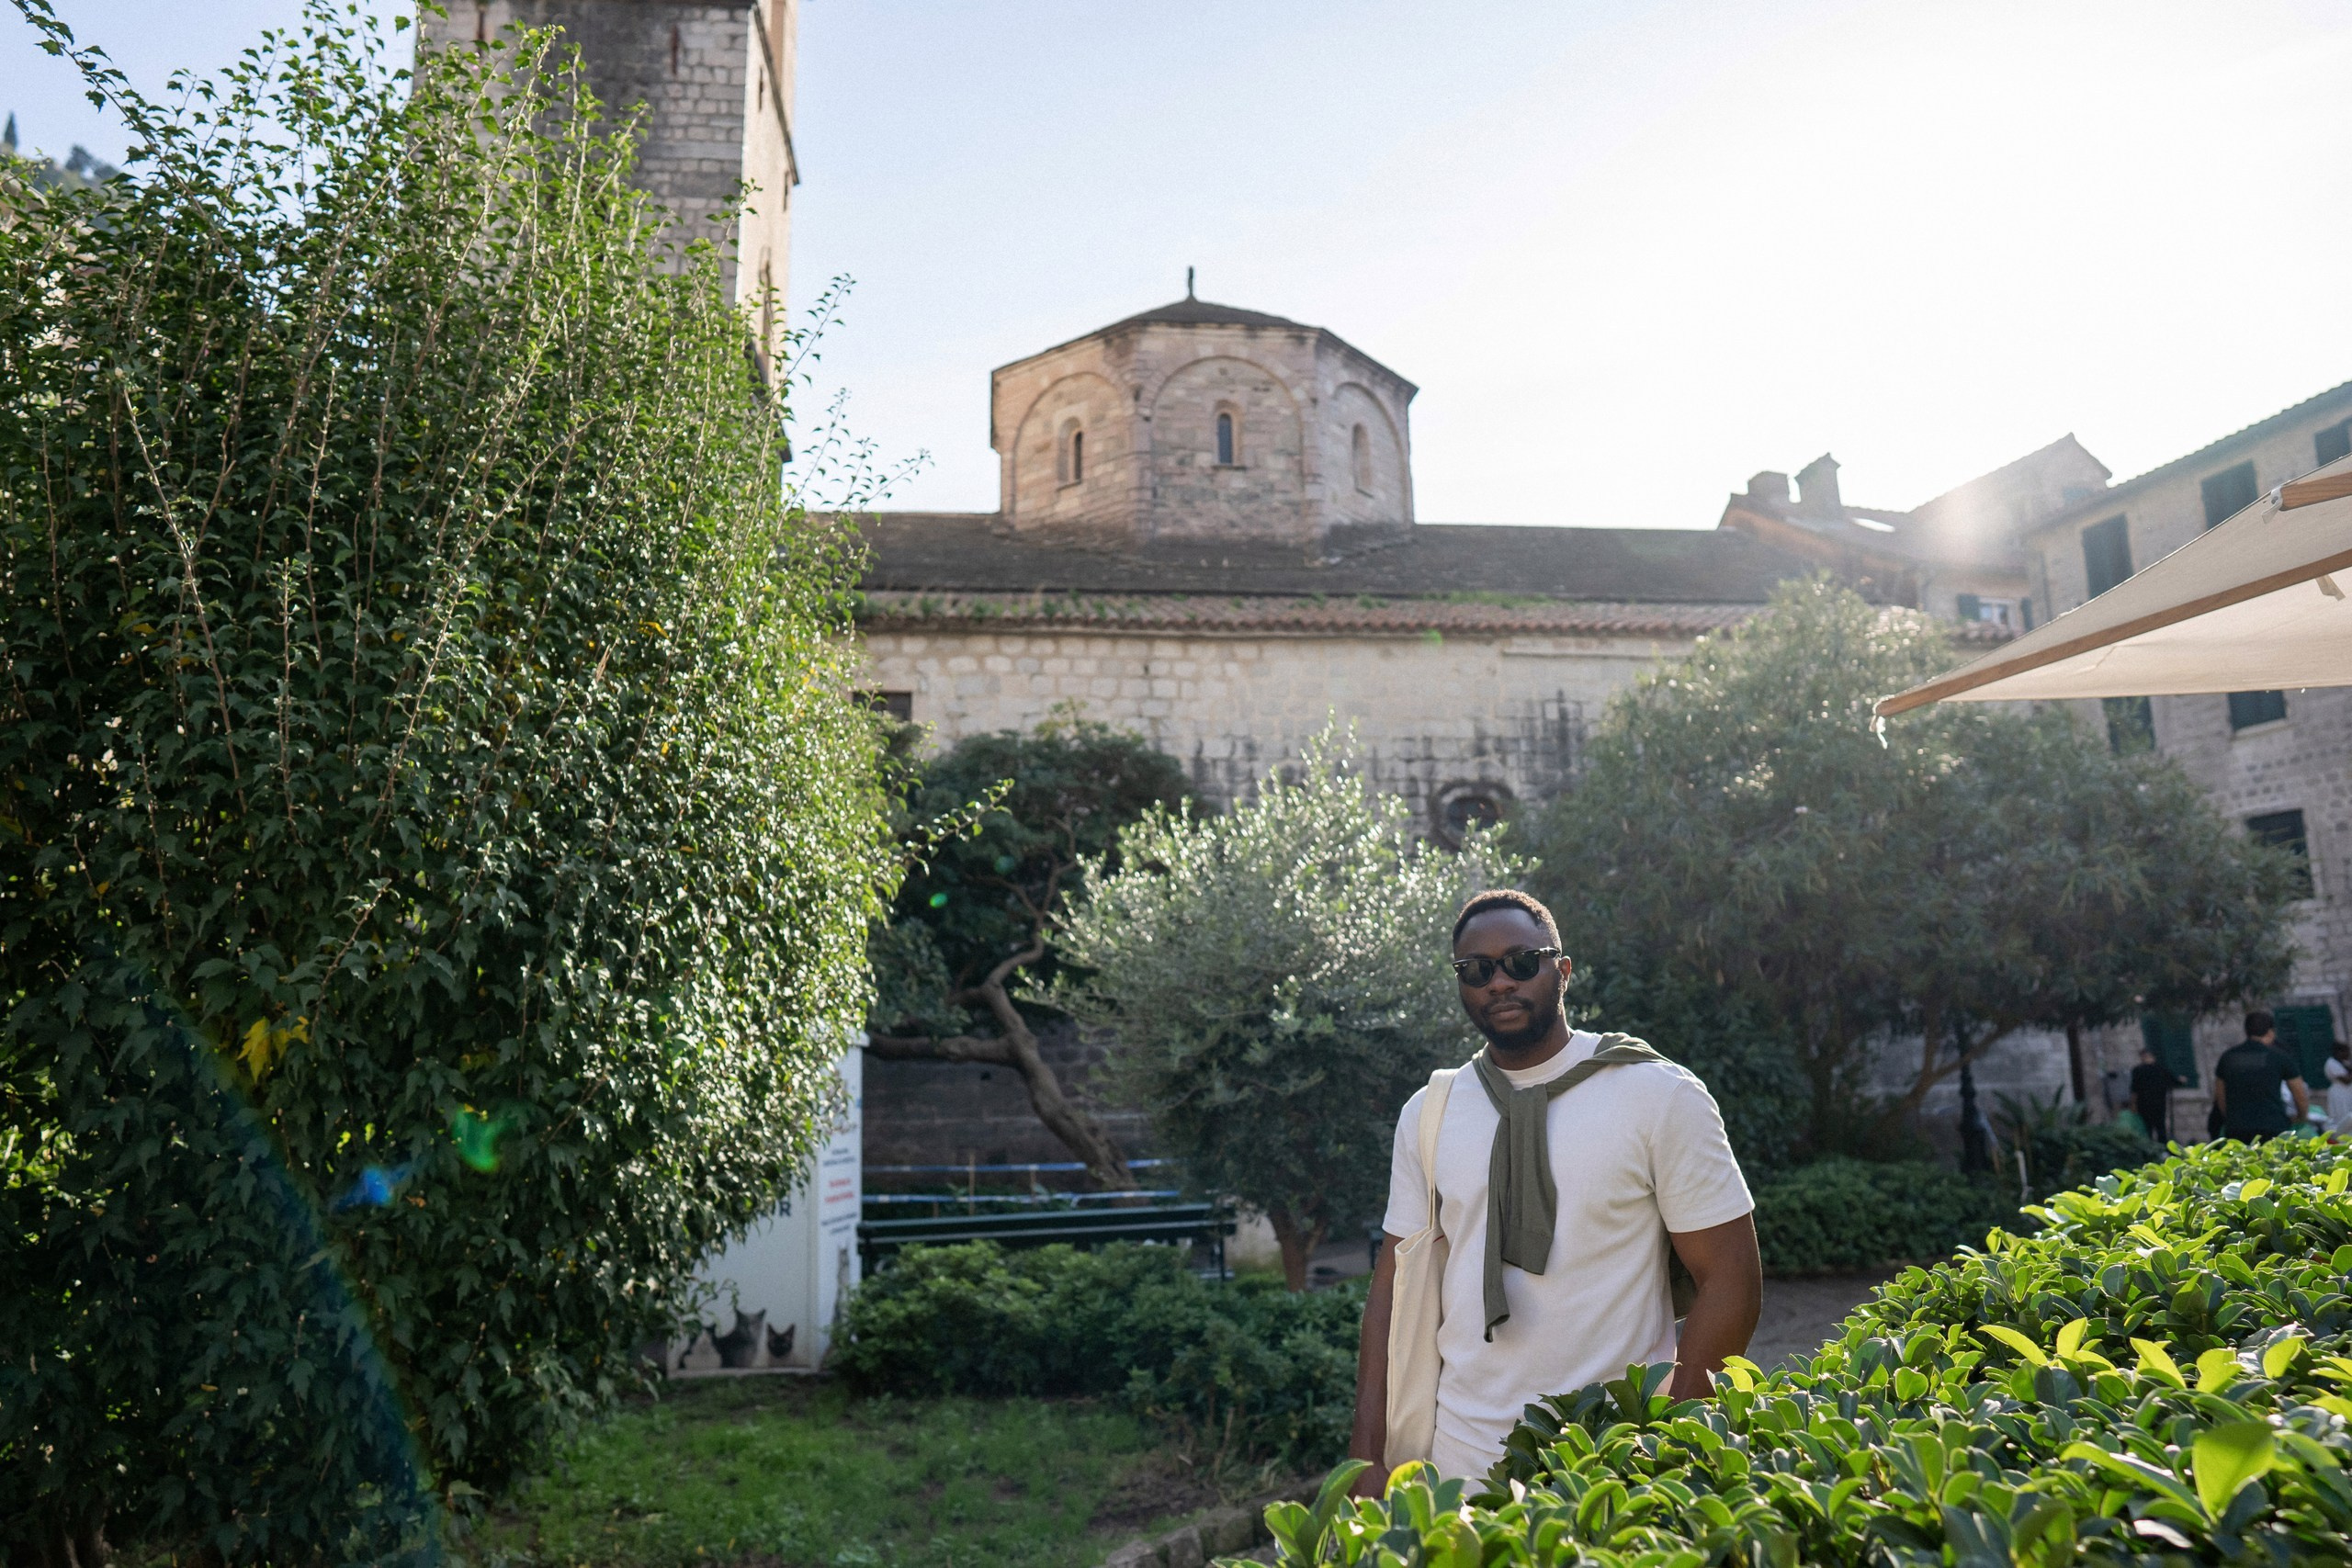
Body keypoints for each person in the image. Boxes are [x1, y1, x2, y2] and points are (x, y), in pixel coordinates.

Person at [1347, 890, 1760, 1488]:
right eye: (1477, 969)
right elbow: (1392, 1288)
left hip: (1615, 1458)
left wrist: (1669, 1440)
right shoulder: (1430, 1112)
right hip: (1462, 1459)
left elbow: (1732, 1279)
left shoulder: (1657, 1094)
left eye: (1521, 961)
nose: (1499, 981)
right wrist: (1367, 1455)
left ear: (1562, 970)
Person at [2211, 1010, 2307, 1144]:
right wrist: (2301, 1117)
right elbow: (2299, 1094)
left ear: (2247, 1031)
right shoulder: (2280, 1057)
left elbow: (2220, 1096)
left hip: (2237, 1128)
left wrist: (2231, 1119)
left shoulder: (2228, 1058)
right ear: (2270, 1032)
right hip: (2273, 1126)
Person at [2127, 1047, 2180, 1145]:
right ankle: (2162, 1147)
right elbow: (2175, 1081)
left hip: (2146, 1104)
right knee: (2159, 1128)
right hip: (2156, 1104)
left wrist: (2133, 1104)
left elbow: (2134, 1089)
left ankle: (2152, 1147)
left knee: (2150, 1128)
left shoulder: (2139, 1070)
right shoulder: (2160, 1069)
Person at [2325, 1041, 2352, 1136]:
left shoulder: (2343, 1063)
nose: (2348, 1054)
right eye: (2346, 1051)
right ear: (2339, 1052)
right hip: (2338, 1093)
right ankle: (2340, 1137)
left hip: (2346, 1092)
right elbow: (2346, 1080)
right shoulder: (2331, 1063)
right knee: (2341, 1115)